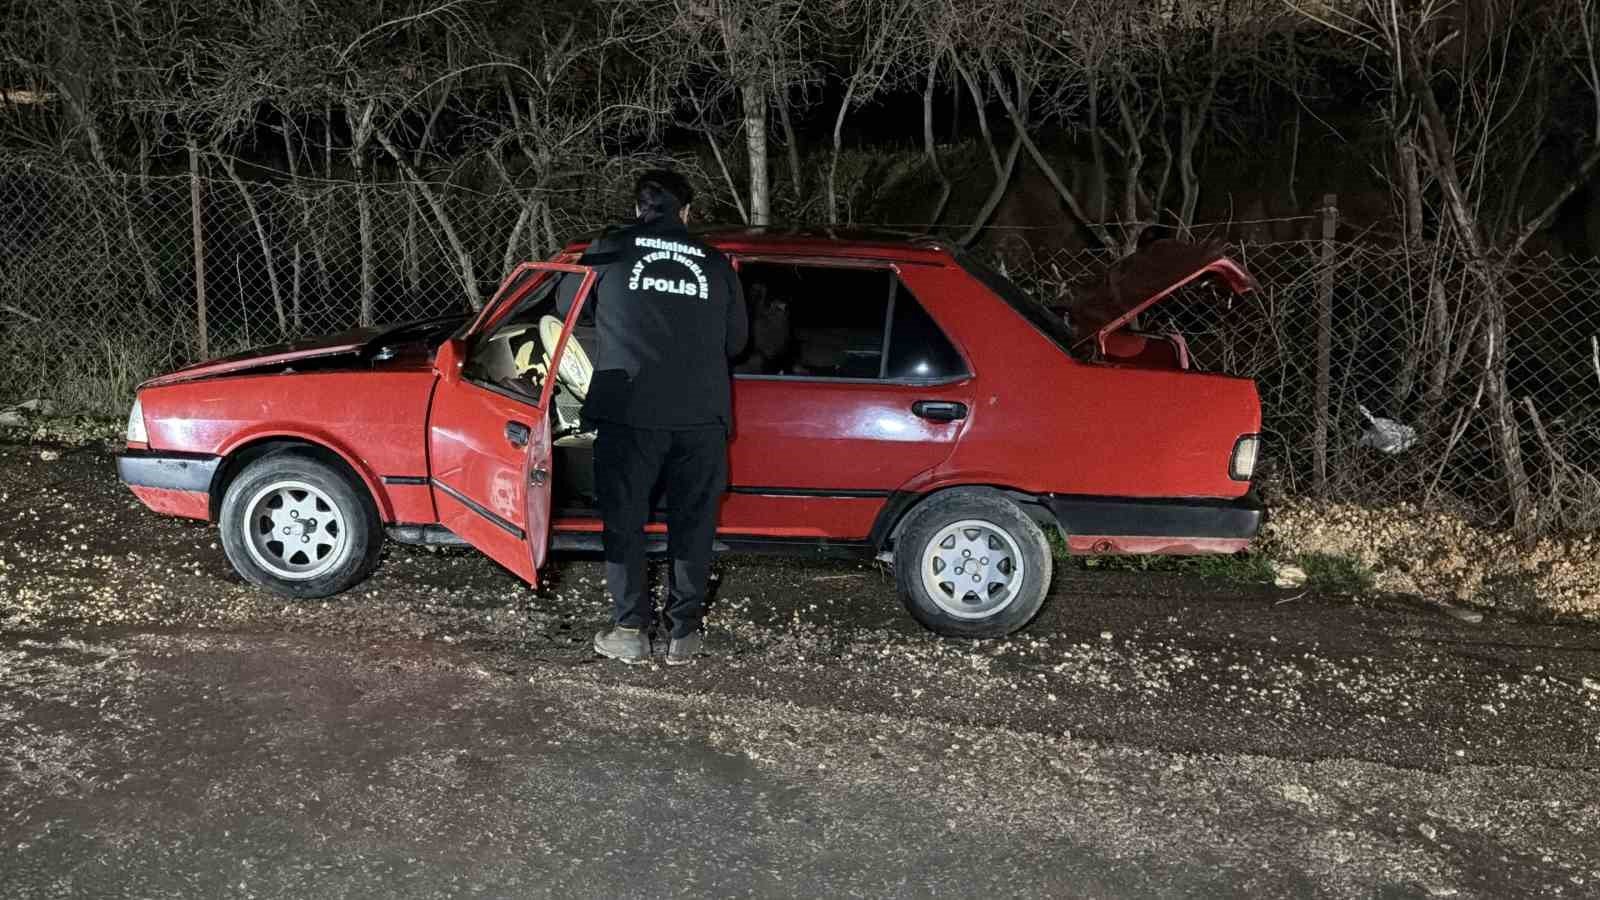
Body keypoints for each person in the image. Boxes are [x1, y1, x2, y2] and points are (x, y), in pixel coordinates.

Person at [556, 170, 747, 666]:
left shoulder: (609, 249)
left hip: (629, 411)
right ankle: (684, 635)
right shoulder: (715, 262)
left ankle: (630, 631)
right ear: (687, 211)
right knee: (693, 525)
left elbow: (566, 308)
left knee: (624, 521)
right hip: (701, 416)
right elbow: (737, 342)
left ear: (638, 208)